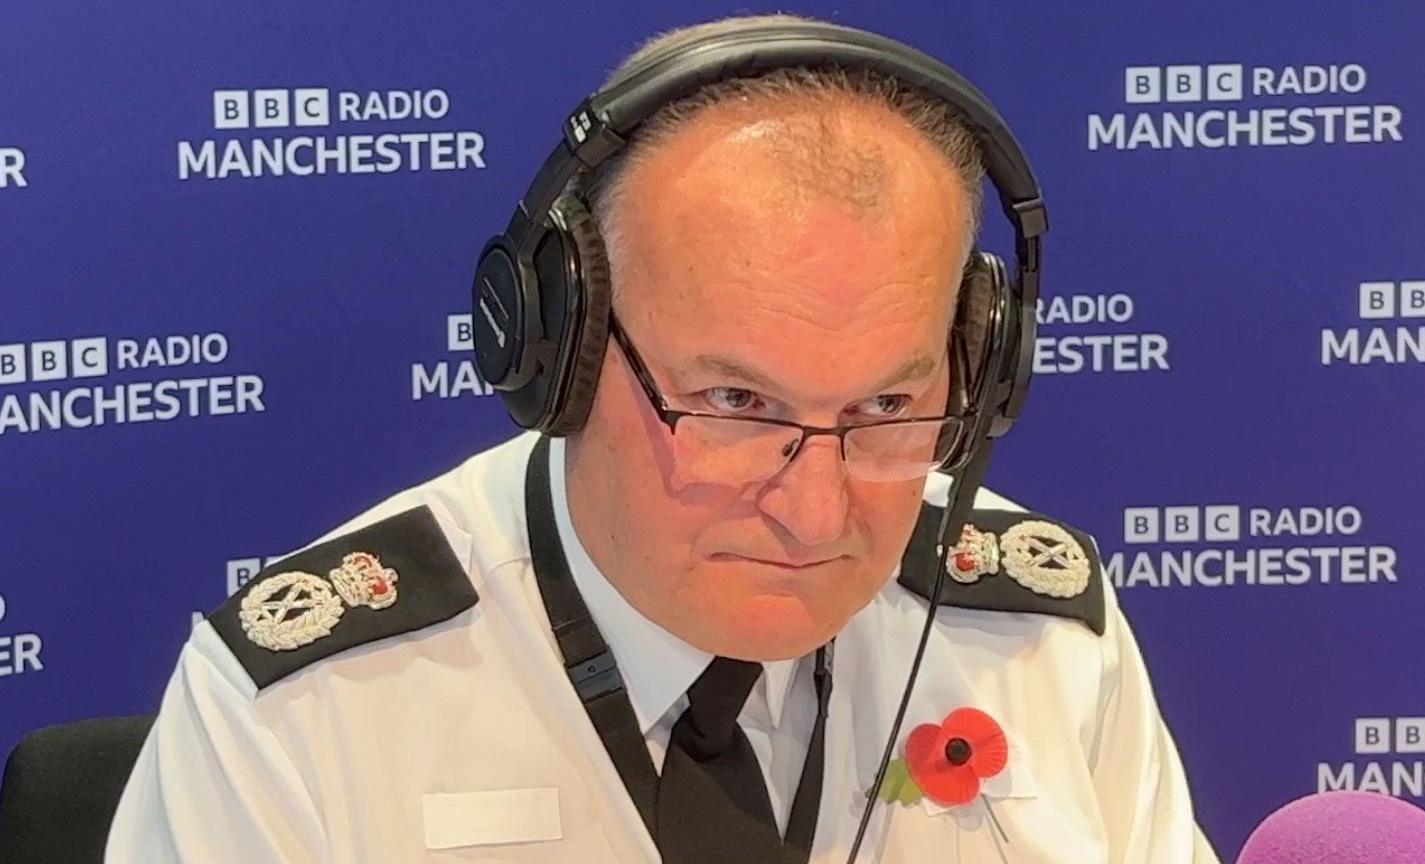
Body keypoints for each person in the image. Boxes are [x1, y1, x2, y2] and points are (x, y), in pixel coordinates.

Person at [106, 14, 1218, 864]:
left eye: (887, 409)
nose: (816, 510)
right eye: (735, 405)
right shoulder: (305, 707)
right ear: (564, 350)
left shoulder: (1041, 639)